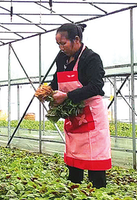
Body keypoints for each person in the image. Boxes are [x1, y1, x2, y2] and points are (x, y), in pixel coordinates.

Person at [35, 23, 111, 188]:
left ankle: (98, 193)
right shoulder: (62, 58)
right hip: (74, 116)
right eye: (58, 44)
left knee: (94, 160)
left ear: (76, 40)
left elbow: (96, 86)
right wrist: (47, 90)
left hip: (91, 115)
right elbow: (57, 80)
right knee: (74, 159)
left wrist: (68, 96)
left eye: (63, 43)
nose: (61, 48)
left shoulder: (91, 58)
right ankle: (74, 193)